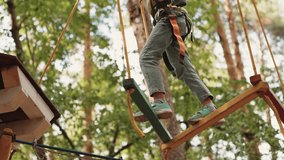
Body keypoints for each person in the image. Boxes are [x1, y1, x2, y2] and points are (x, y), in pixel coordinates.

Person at [134, 0, 223, 125]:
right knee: (183, 67)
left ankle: (159, 101)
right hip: (174, 18)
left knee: (147, 57)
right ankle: (209, 106)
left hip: (169, 17)